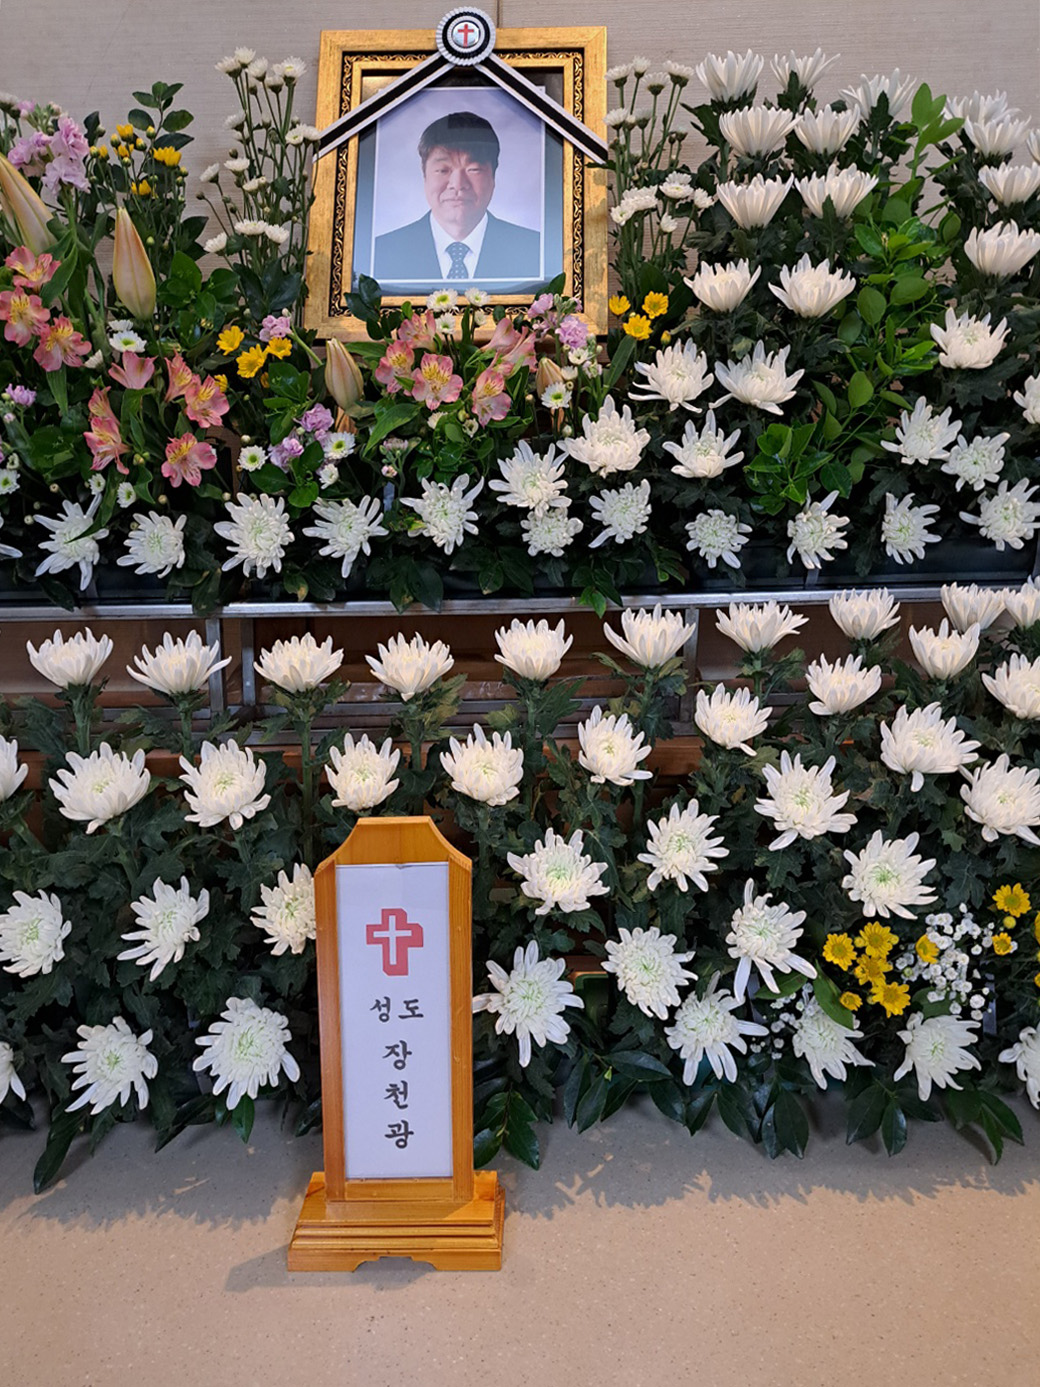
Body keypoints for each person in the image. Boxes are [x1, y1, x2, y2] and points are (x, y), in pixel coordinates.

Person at [373, 111, 541, 284]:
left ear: (493, 177)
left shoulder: (535, 251)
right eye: (442, 170)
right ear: (425, 176)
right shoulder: (381, 253)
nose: (458, 184)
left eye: (473, 169)